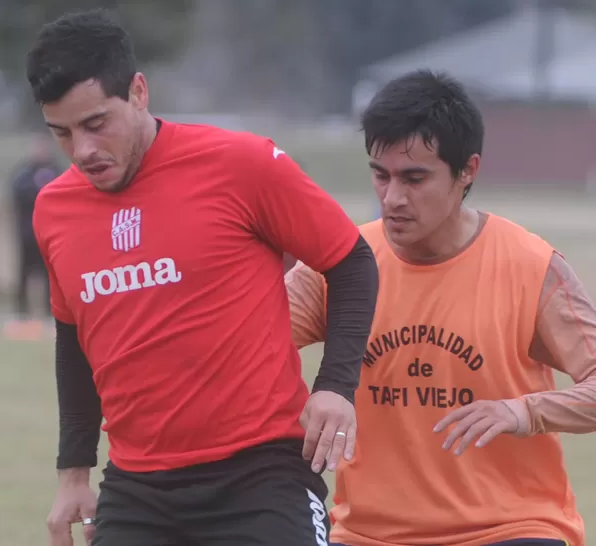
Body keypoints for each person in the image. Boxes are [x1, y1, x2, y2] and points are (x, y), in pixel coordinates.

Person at [25, 9, 379, 546]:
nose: (83, 150)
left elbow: (352, 260)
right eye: (62, 133)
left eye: (96, 124)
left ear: (139, 92)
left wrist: (335, 387)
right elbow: (75, 340)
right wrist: (73, 473)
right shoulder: (53, 208)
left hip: (260, 477)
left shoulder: (242, 166)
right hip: (137, 490)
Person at [286, 70, 596, 546]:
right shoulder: (344, 264)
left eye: (415, 178)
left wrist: (524, 411)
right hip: (368, 535)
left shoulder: (529, 266)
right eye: (381, 175)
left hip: (511, 529)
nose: (393, 198)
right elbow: (235, 346)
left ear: (467, 171)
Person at [10, 134, 59, 321]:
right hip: (26, 233)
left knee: (50, 275)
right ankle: (21, 312)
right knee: (23, 273)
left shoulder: (56, 171)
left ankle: (50, 313)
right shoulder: (23, 173)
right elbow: (16, 196)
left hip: (49, 235)